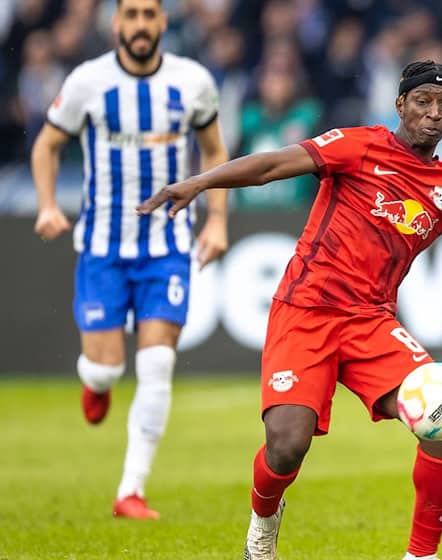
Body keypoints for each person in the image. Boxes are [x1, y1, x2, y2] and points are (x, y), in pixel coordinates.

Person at [137, 60, 442, 560]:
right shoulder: (358, 146)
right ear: (401, 105)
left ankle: (422, 555)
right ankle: (263, 526)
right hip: (305, 310)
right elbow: (270, 166)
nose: (434, 115)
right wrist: (201, 183)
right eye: (423, 102)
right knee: (287, 444)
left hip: (370, 322)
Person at [31, 0, 228, 520]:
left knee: (158, 361)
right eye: (131, 15)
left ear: (162, 22)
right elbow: (47, 145)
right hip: (103, 247)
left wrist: (217, 219)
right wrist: (48, 204)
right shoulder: (86, 82)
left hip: (166, 247)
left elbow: (213, 151)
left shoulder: (193, 82)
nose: (140, 25)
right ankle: (95, 384)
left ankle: (130, 491)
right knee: (104, 369)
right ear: (116, 23)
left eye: (149, 14)